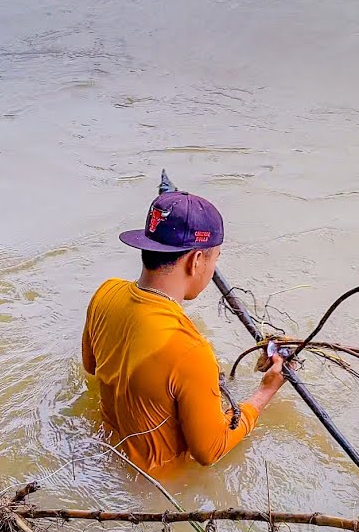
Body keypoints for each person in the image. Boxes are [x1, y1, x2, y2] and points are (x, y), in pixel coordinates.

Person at [81, 171, 290, 474]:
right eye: (214, 258)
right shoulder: (190, 351)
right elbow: (210, 450)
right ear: (196, 261)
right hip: (154, 483)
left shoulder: (105, 292)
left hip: (104, 455)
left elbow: (91, 368)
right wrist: (266, 391)